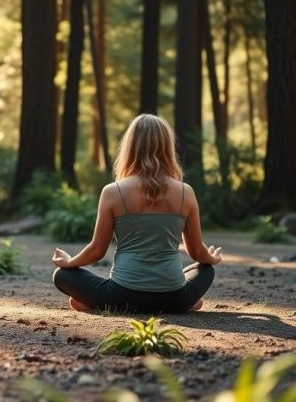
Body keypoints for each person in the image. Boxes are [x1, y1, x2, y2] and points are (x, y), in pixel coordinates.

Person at [50, 114, 221, 313]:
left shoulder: (112, 192)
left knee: (62, 275)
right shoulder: (186, 192)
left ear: (130, 147)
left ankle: (104, 304)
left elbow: (97, 250)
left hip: (122, 295)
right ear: (167, 147)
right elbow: (197, 253)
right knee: (205, 270)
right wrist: (213, 258)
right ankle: (184, 304)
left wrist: (70, 262)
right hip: (174, 297)